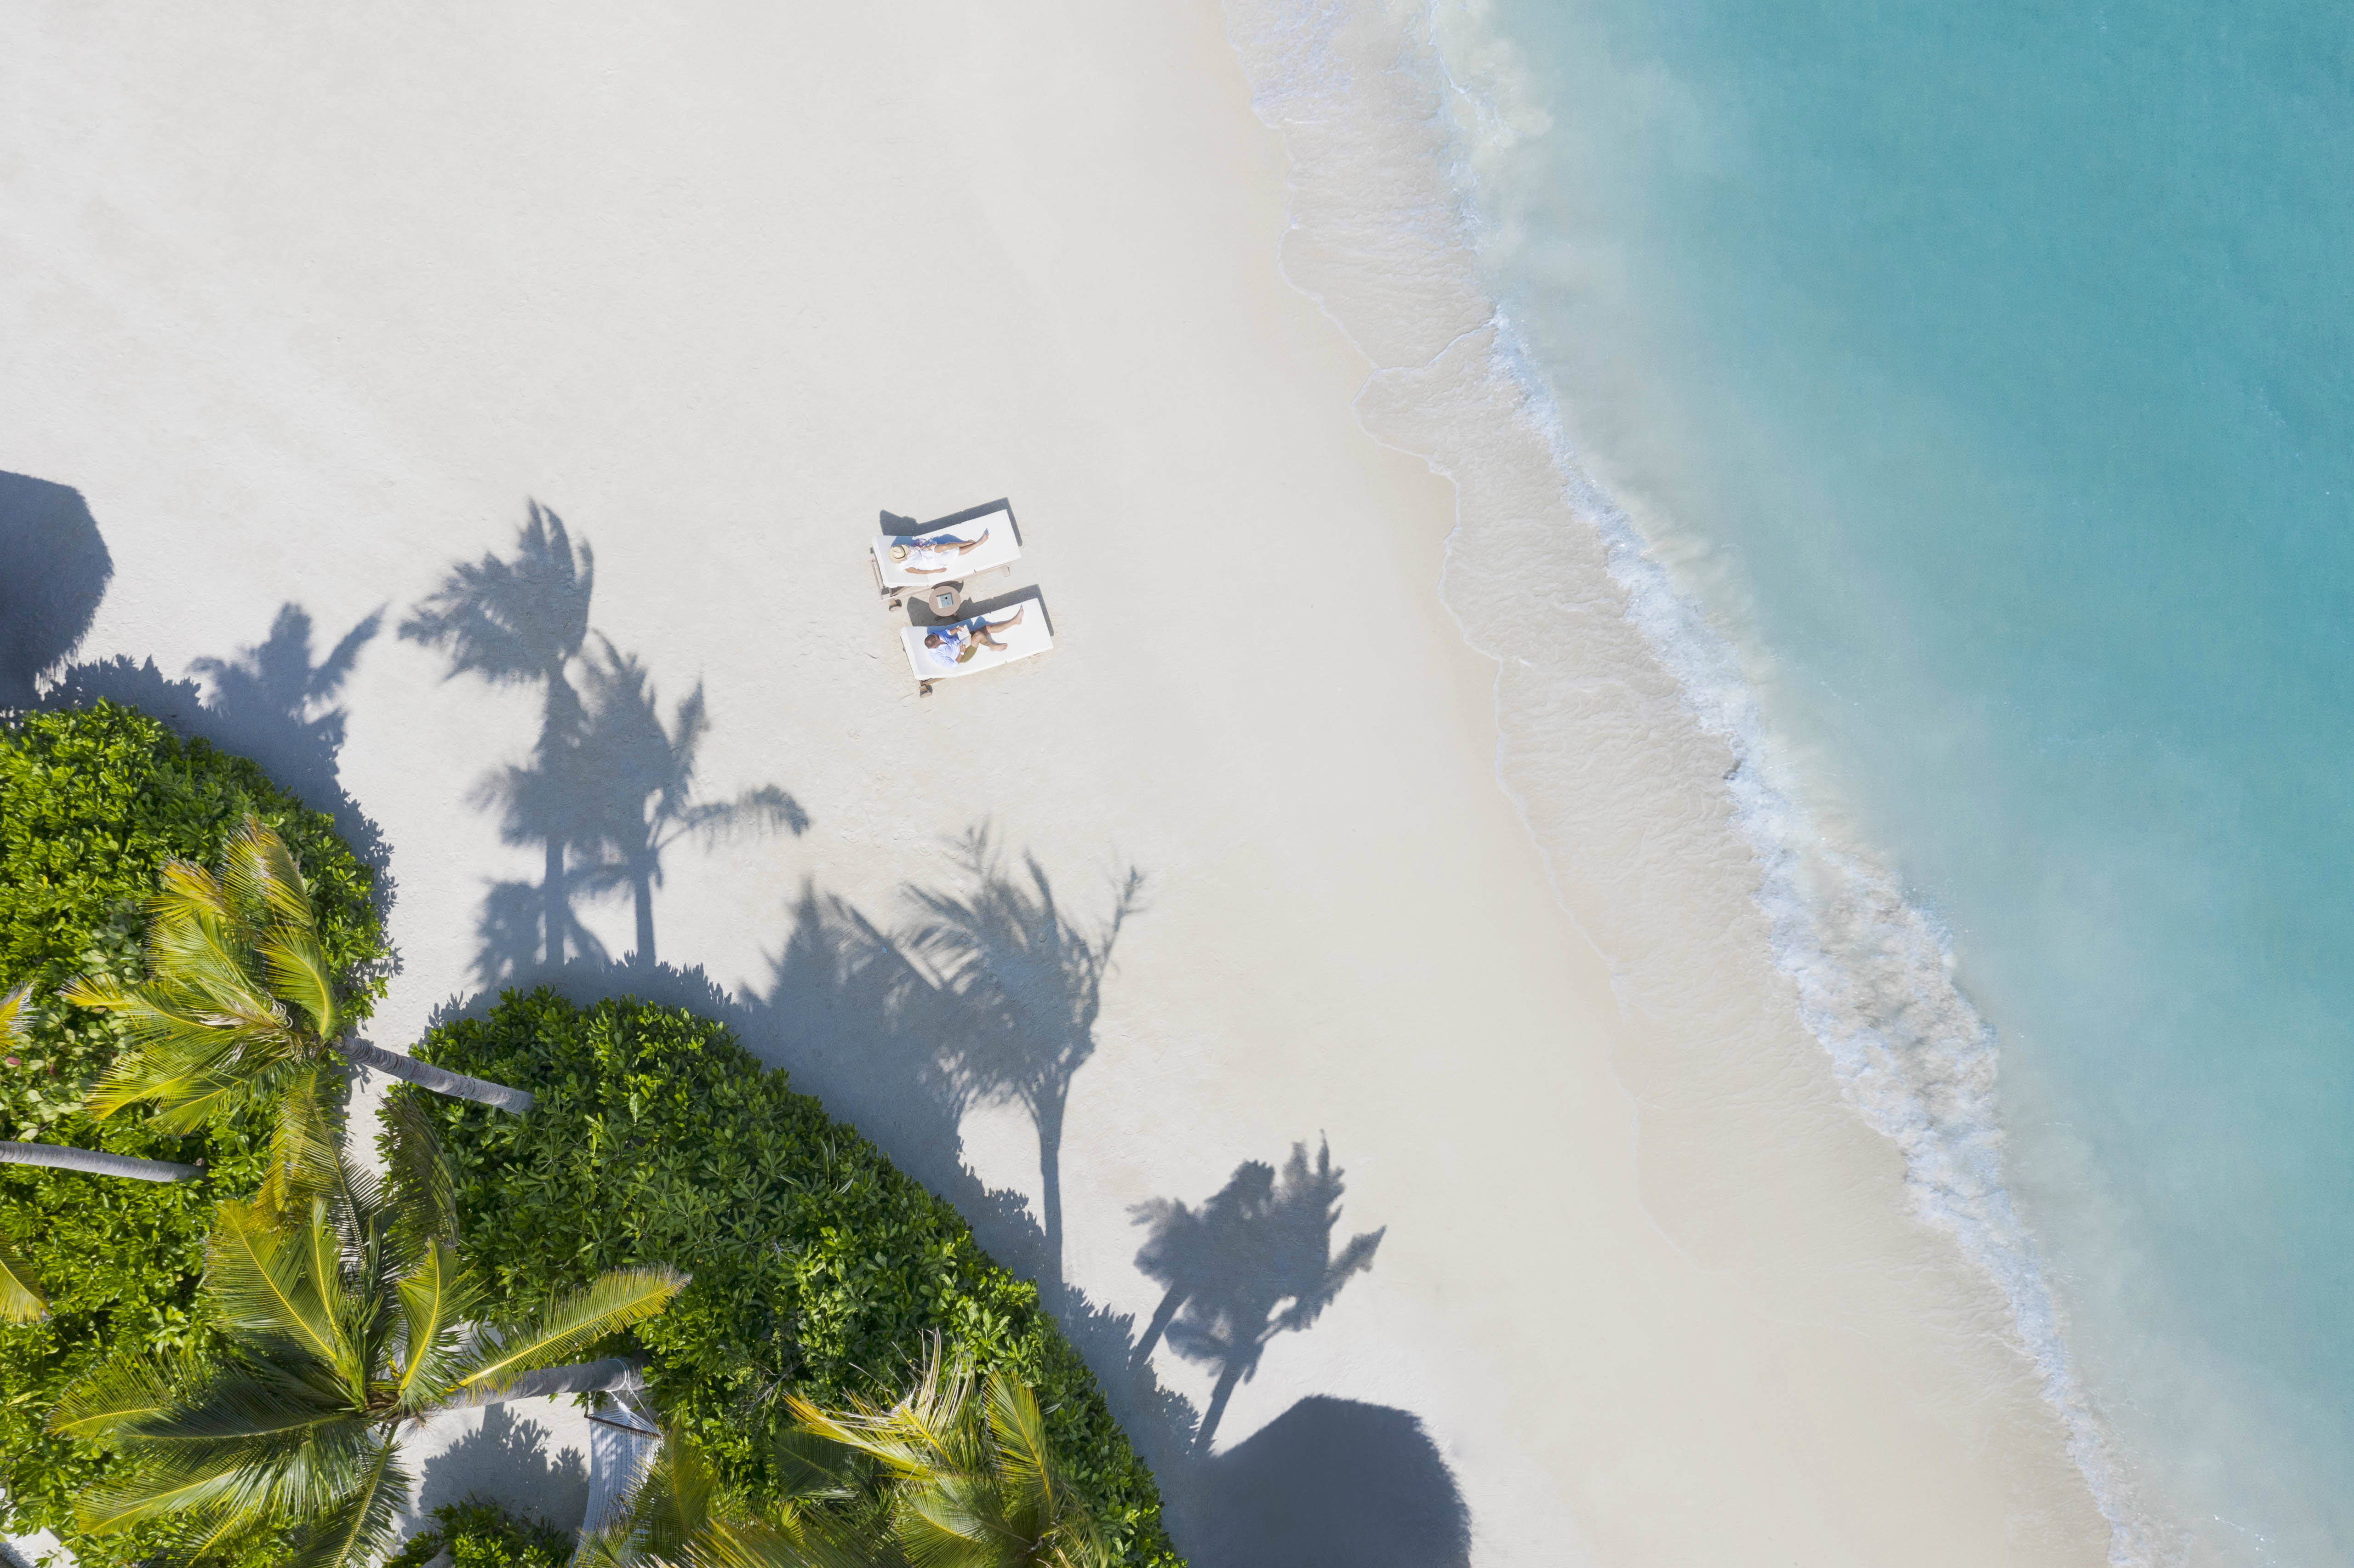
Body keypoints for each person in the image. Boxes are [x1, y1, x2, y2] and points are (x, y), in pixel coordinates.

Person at [922, 605, 1026, 664]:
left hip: (962, 641)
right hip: (963, 655)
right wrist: (962, 653)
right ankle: (992, 647)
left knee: (988, 628)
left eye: (937, 636)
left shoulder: (934, 635)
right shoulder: (937, 657)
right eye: (938, 639)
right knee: (979, 635)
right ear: (935, 645)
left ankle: (1015, 621)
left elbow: (947, 633)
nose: (939, 637)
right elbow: (954, 665)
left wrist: (957, 629)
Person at [889, 527, 992, 575]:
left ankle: (966, 543)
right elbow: (921, 572)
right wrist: (936, 571)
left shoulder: (905, 550)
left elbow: (919, 549)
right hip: (931, 563)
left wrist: (928, 547)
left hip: (927, 552)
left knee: (945, 547)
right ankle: (978, 543)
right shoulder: (907, 567)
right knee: (955, 553)